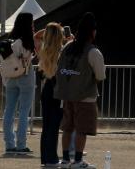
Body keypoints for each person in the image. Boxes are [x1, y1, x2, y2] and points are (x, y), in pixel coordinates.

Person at [54, 12, 106, 169]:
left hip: (67, 95)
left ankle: (64, 160)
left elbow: (59, 66)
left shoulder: (68, 47)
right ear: (92, 32)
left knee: (67, 128)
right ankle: (77, 161)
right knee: (82, 129)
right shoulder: (93, 51)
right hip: (85, 97)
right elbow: (101, 75)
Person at [0, 11, 36, 155]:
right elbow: (30, 57)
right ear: (28, 24)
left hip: (10, 77)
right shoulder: (27, 40)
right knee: (24, 111)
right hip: (25, 76)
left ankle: (9, 143)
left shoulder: (10, 40)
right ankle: (21, 144)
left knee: (9, 110)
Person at [36, 22, 66, 167]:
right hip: (57, 89)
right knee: (54, 126)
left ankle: (45, 158)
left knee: (46, 127)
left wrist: (47, 29)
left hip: (46, 89)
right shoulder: (62, 51)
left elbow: (37, 36)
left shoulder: (44, 50)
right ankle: (52, 158)